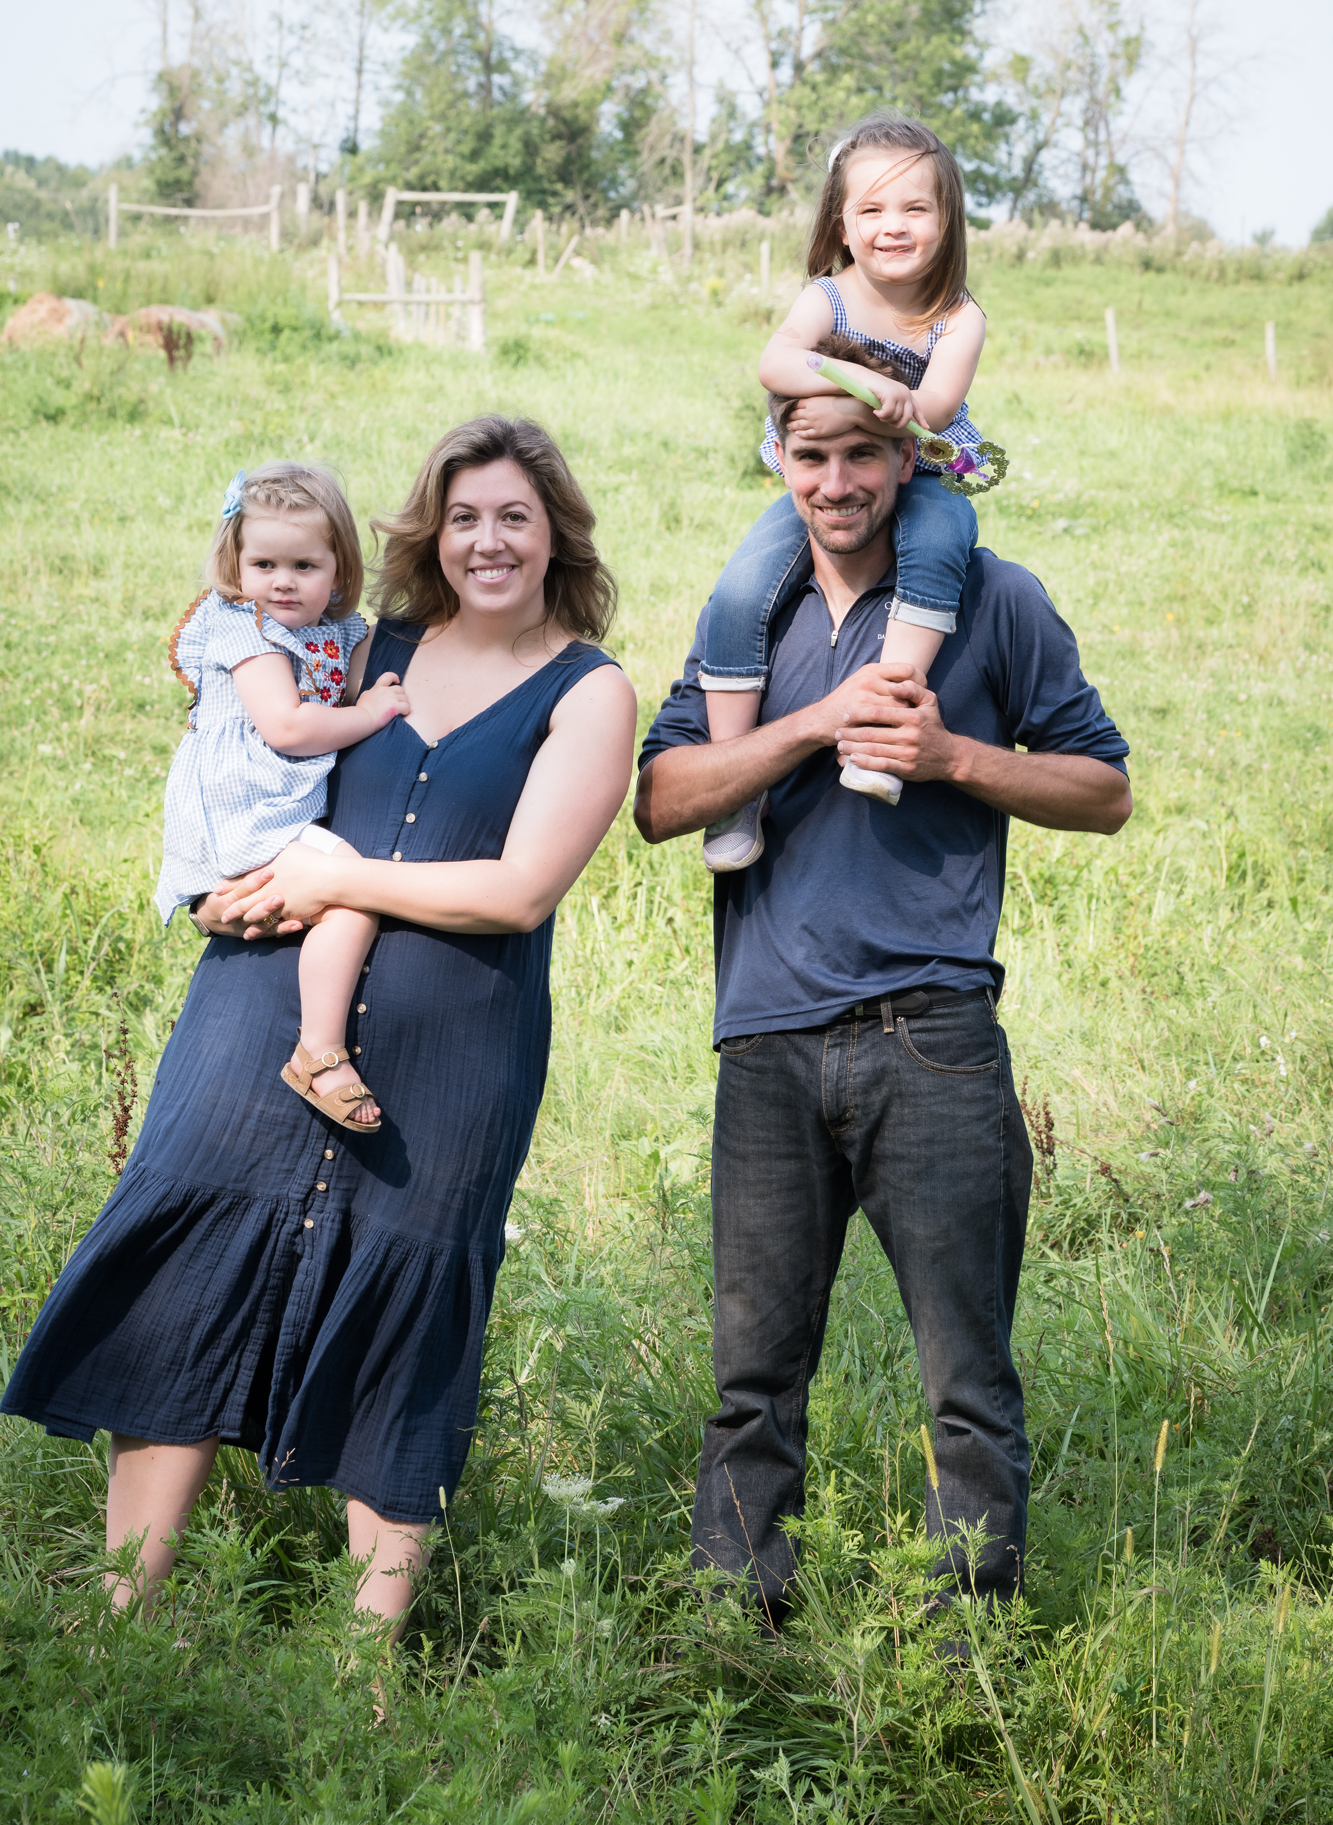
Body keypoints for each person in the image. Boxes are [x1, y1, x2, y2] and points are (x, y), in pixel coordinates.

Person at [2, 416, 637, 1639]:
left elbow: (518, 889)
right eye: (462, 517)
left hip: (458, 1043)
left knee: (406, 1298)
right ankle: (123, 1620)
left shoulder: (588, 688)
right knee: (187, 1252)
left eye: (513, 514)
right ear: (426, 531)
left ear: (555, 528)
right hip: (259, 998)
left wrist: (333, 878)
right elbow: (236, 734)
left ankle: (365, 1670)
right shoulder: (362, 647)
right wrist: (230, 873)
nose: (486, 540)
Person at [635, 353, 1131, 1628]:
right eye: (812, 455)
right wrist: (809, 727)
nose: (838, 480)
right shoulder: (746, 617)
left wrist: (952, 752)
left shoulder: (991, 597)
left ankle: (962, 1647)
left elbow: (1102, 788)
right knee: (752, 1379)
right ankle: (734, 1636)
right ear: (778, 462)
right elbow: (660, 798)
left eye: (864, 454)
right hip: (766, 1041)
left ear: (909, 458)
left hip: (936, 1038)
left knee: (965, 1378)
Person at [700, 113, 992, 872]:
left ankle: (883, 731)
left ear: (945, 218)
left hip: (918, 470)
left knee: (937, 545)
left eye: (912, 208)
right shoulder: (826, 296)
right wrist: (852, 374)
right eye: (870, 209)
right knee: (740, 589)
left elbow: (929, 410)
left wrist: (883, 395)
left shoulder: (957, 317)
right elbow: (776, 364)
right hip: (826, 477)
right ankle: (733, 783)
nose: (890, 226)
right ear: (841, 220)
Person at [156, 461, 413, 1132]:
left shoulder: (338, 630)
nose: (283, 582)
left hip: (273, 802)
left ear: (338, 570)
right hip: (239, 807)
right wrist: (372, 714)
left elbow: (363, 672)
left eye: (304, 565)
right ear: (236, 564)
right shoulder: (245, 626)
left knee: (338, 897)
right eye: (264, 563)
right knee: (354, 897)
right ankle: (319, 1055)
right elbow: (289, 726)